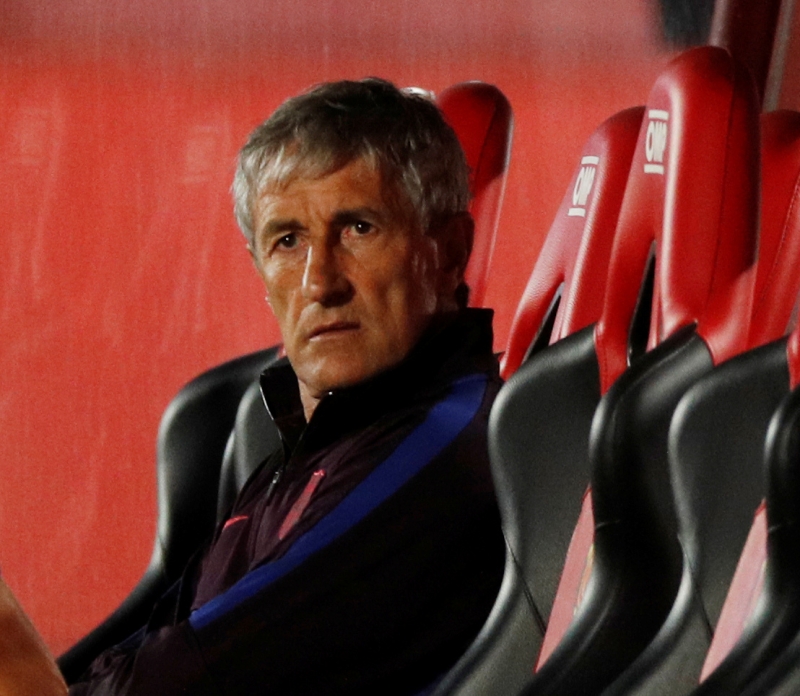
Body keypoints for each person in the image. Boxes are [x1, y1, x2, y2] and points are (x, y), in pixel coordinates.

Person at [0, 78, 505, 695]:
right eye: (287, 241)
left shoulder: (434, 451)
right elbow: (160, 643)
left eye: (358, 229)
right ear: (260, 270)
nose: (320, 281)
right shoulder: (318, 438)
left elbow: (175, 684)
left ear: (450, 250)